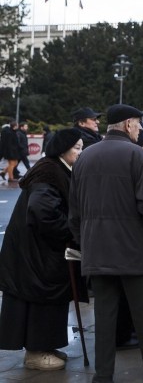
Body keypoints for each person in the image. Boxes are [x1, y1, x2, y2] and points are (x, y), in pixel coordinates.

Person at [70, 104, 143, 383]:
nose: (140, 130)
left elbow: (74, 210)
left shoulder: (85, 157)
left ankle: (103, 374)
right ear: (127, 125)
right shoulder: (137, 155)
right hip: (133, 248)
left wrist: (84, 241)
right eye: (138, 124)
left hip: (97, 249)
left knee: (105, 313)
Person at [0, 128, 84, 371]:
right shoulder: (49, 172)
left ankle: (45, 346)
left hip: (36, 251)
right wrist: (69, 231)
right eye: (76, 148)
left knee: (46, 300)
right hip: (37, 254)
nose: (80, 152)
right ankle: (36, 352)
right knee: (40, 300)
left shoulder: (53, 168)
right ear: (62, 150)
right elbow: (42, 211)